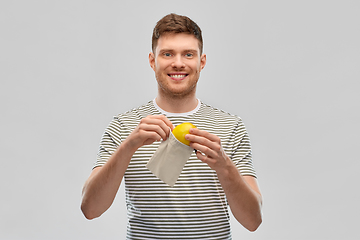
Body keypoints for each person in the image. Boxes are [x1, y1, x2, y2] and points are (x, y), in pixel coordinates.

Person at [81, 13, 262, 239]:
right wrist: (129, 146)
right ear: (152, 60)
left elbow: (253, 221)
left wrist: (224, 166)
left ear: (201, 61)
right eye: (167, 54)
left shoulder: (230, 126)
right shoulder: (124, 126)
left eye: (188, 54)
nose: (178, 63)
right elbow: (90, 209)